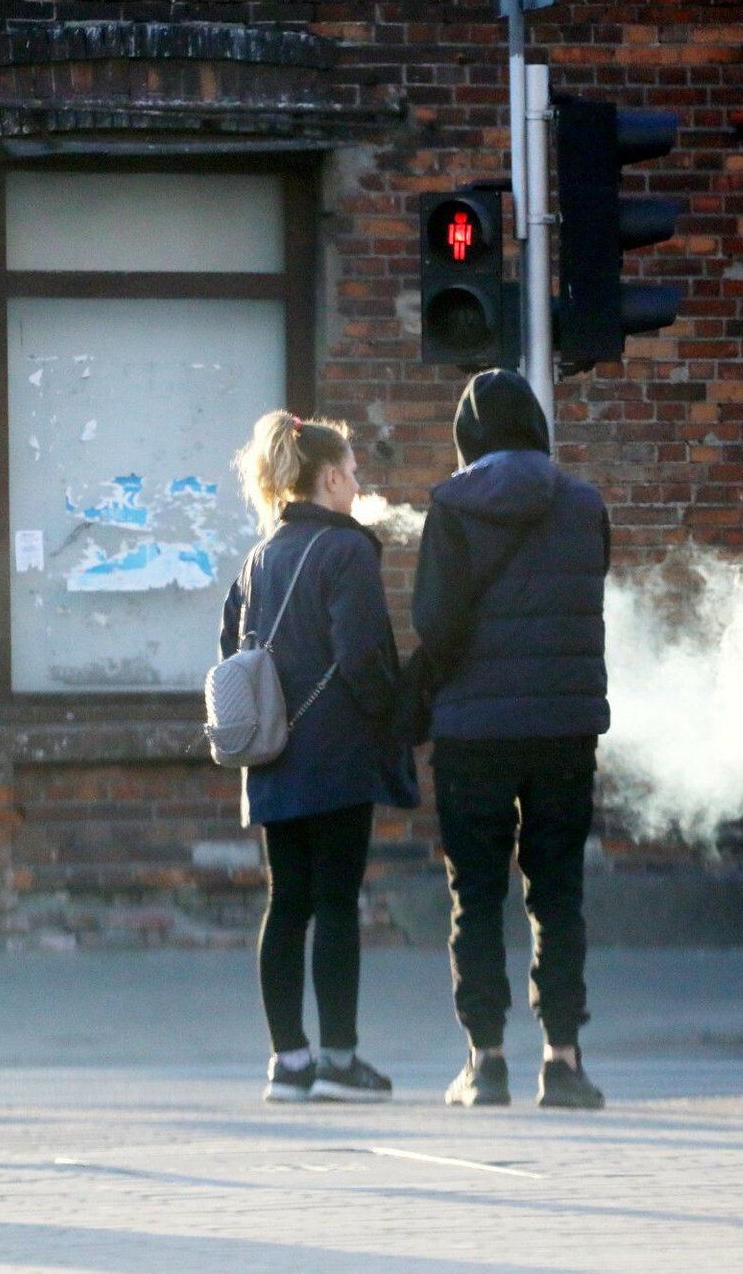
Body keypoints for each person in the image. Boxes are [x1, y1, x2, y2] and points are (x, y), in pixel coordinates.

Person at [411, 369, 610, 1110]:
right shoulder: (585, 505)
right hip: (565, 727)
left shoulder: (452, 506)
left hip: (474, 730)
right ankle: (564, 1060)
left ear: (469, 436)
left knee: (477, 894)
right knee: (558, 893)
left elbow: (435, 623)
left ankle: (485, 1061)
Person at [221, 410, 418, 1103]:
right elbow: (362, 655)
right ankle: (339, 1059)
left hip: (272, 752)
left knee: (287, 903)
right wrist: (397, 718)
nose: (360, 483)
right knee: (337, 903)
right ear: (330, 478)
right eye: (355, 472)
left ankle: (290, 1062)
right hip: (336, 753)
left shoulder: (259, 556)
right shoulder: (347, 551)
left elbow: (232, 652)